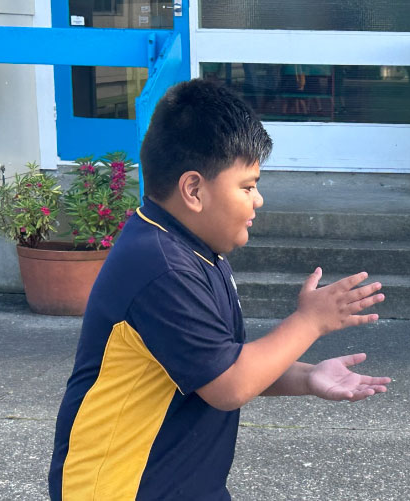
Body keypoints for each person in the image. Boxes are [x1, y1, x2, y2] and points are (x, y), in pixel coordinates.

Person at [48, 79, 389, 500]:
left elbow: (217, 363)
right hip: (117, 489)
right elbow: (229, 384)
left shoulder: (196, 251)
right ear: (194, 190)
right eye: (247, 186)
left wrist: (308, 376)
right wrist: (311, 321)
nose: (258, 200)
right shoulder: (161, 268)